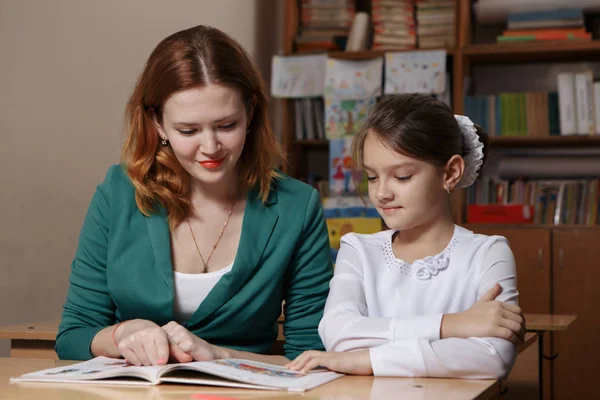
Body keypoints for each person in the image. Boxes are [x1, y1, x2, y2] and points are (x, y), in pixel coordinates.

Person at [55, 25, 333, 366]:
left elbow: (311, 357)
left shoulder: (297, 206)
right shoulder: (118, 193)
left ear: (250, 112)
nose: (211, 147)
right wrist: (122, 334)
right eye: (188, 130)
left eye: (227, 125)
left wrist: (220, 355)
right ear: (158, 124)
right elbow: (73, 335)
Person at [286, 94, 525, 379]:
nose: (381, 192)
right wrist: (449, 326)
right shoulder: (359, 250)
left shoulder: (487, 253)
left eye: (402, 177)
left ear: (450, 172)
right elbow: (338, 335)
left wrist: (367, 360)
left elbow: (493, 358)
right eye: (372, 177)